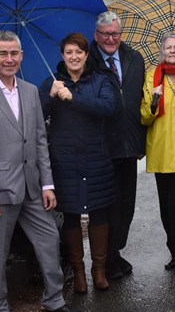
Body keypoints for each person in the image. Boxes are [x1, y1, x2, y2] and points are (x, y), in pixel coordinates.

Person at [0, 30, 87, 312]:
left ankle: (54, 300)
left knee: (48, 240)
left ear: (22, 56)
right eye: (3, 54)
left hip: (33, 187)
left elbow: (39, 140)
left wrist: (47, 184)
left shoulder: (31, 90)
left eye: (14, 53)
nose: (9, 59)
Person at [40, 32, 121, 291]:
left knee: (99, 213)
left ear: (87, 55)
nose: (74, 57)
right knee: (72, 215)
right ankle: (79, 273)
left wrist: (74, 98)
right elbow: (35, 115)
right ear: (63, 56)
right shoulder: (51, 83)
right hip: (65, 160)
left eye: (79, 52)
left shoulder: (100, 80)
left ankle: (99, 270)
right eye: (69, 52)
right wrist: (50, 96)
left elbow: (109, 108)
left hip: (96, 157)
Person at [92, 11, 146, 279]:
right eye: (105, 34)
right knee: (105, 205)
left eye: (115, 33)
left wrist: (141, 141)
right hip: (102, 147)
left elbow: (141, 100)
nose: (111, 39)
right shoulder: (89, 60)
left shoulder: (134, 57)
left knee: (126, 205)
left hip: (129, 145)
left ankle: (116, 251)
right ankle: (106, 260)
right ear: (96, 35)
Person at [140, 33, 175, 278]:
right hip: (161, 150)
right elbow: (144, 116)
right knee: (165, 208)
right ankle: (174, 252)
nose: (172, 51)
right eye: (168, 48)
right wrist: (154, 101)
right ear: (161, 51)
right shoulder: (152, 76)